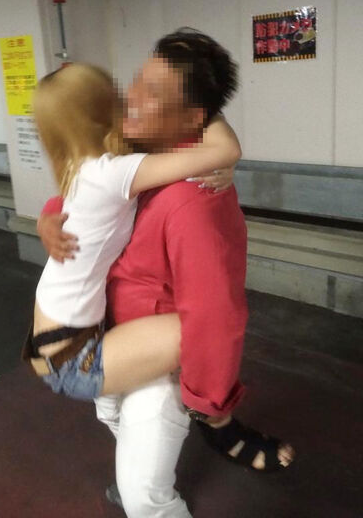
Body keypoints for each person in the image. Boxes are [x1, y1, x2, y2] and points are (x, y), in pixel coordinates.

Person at [38, 29, 295, 518]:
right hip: (114, 339)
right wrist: (50, 217)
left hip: (158, 360)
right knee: (112, 417)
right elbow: (90, 195)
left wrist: (211, 407)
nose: (131, 96)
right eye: (137, 80)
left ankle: (211, 434)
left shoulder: (193, 201)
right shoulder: (138, 155)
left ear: (194, 118)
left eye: (152, 92)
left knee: (143, 498)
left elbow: (214, 318)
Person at [23, 61, 241, 402]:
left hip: (55, 335)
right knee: (203, 332)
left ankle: (112, 408)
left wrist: (220, 165)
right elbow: (224, 150)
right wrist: (207, 110)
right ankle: (208, 417)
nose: (130, 99)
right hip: (74, 359)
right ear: (104, 112)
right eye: (120, 95)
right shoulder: (114, 173)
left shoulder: (81, 166)